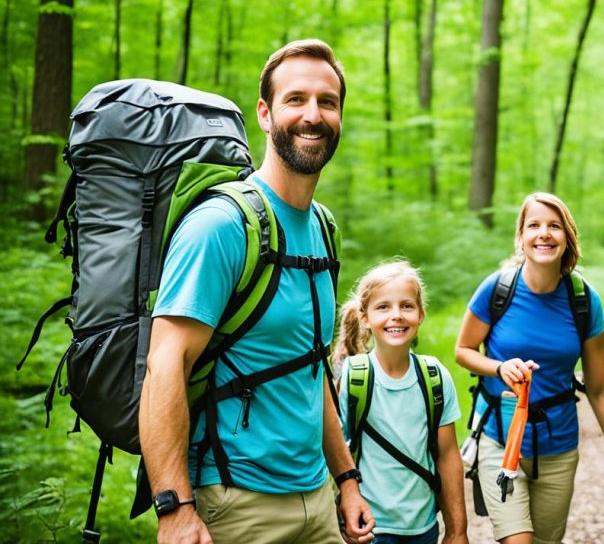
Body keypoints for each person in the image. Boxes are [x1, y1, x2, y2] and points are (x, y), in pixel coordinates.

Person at [139, 39, 374, 544]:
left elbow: (311, 369)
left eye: (327, 102)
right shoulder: (222, 225)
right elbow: (165, 365)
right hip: (235, 502)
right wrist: (174, 509)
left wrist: (347, 480)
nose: (313, 115)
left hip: (317, 502)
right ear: (265, 115)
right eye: (296, 99)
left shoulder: (324, 228)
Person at [455, 192, 604, 544]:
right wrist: (498, 367)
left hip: (559, 447)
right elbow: (463, 350)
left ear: (567, 238)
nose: (544, 234)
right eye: (534, 225)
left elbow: (599, 387)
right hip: (500, 440)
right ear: (521, 237)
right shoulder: (497, 289)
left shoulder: (583, 299)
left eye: (554, 226)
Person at [334, 261, 469, 544]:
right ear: (365, 317)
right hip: (369, 528)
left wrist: (458, 531)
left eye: (406, 306)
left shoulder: (434, 377)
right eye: (383, 307)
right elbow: (333, 451)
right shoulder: (352, 377)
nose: (396, 315)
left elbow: (448, 456)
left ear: (421, 314)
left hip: (424, 528)